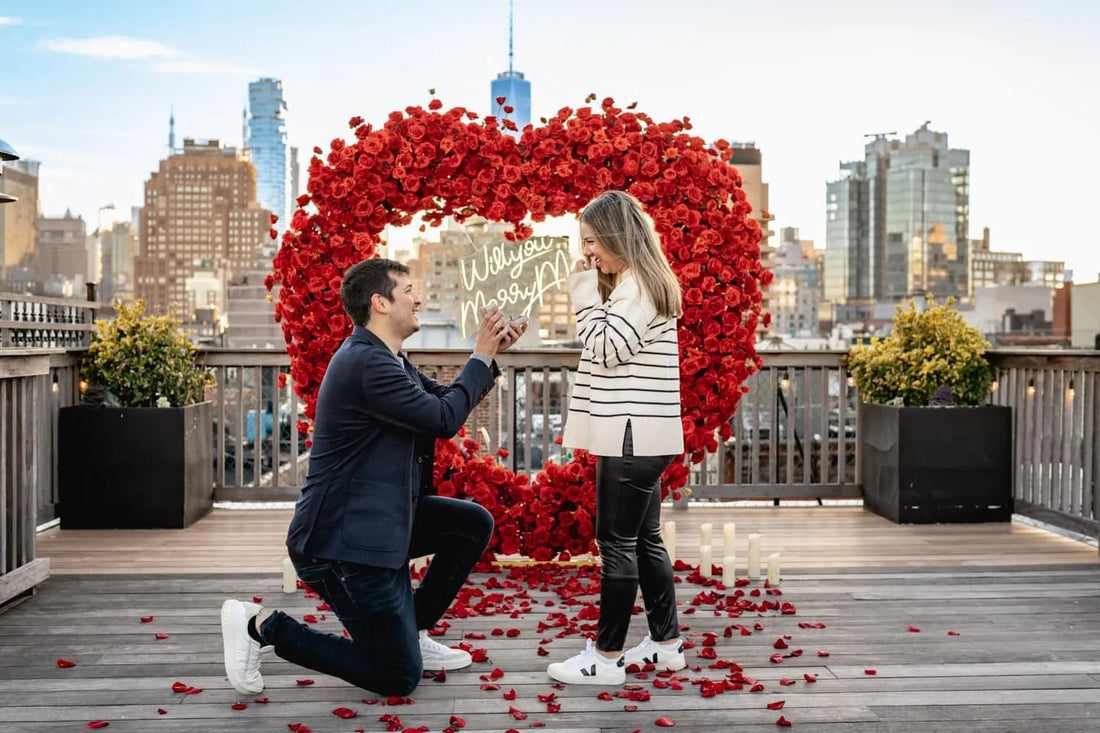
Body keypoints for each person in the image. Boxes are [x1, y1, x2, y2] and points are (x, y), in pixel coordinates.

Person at [220, 257, 525, 697]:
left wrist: (490, 358)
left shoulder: (388, 359)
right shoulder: (366, 362)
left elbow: (442, 399)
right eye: (408, 290)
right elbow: (442, 418)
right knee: (397, 677)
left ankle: (414, 631)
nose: (418, 298)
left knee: (471, 523)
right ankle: (260, 626)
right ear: (380, 303)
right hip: (341, 543)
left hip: (380, 523)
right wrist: (480, 354)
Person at [547, 190, 685, 685]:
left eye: (592, 242)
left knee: (616, 543)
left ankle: (604, 659)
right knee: (644, 539)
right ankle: (666, 645)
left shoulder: (638, 287)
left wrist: (583, 289)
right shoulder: (640, 282)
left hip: (631, 434)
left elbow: (605, 348)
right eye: (584, 244)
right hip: (642, 432)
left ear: (615, 235)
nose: (587, 253)